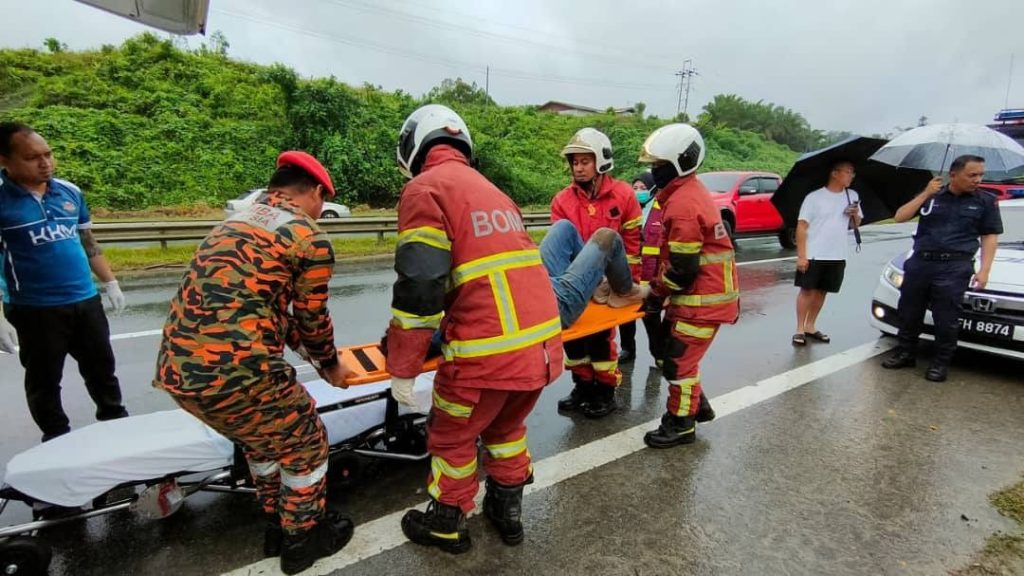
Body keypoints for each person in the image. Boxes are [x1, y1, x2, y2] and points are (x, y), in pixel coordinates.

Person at [153, 151, 354, 575]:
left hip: (178, 373)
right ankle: (303, 538)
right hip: (239, 374)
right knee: (305, 443)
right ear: (316, 192)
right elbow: (311, 317)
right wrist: (331, 365)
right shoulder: (308, 236)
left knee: (261, 441)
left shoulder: (233, 223)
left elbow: (264, 308)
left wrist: (312, 357)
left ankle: (275, 524)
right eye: (323, 201)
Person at [386, 104, 563, 553]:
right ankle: (507, 513)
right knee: (505, 431)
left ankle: (447, 522)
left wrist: (404, 364)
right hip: (539, 349)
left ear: (413, 146)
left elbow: (421, 285)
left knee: (452, 436)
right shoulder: (496, 192)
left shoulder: (426, 189)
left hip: (485, 354)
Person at [0, 122, 128, 443]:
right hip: (35, 309)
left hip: (85, 301)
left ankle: (117, 431)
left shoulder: (69, 192)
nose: (45, 163)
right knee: (45, 382)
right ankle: (57, 441)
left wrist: (110, 282)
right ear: (5, 161)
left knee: (103, 373)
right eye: (32, 158)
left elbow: (87, 242)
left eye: (48, 154)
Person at [637, 123, 739, 448]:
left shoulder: (682, 205)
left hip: (701, 304)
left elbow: (682, 270)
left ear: (679, 163)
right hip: (700, 300)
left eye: (659, 166)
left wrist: (654, 294)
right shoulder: (687, 193)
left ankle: (680, 424)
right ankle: (698, 407)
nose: (654, 172)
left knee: (679, 363)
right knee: (677, 357)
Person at [881, 155, 1002, 382]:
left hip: (955, 266)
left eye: (980, 175)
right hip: (921, 262)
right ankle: (905, 353)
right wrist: (926, 193)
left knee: (946, 318)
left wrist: (985, 269)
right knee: (909, 312)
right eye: (972, 175)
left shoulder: (985, 201)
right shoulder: (932, 195)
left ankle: (940, 363)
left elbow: (989, 236)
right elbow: (899, 217)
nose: (978, 179)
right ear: (953, 175)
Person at [551, 127, 643, 418]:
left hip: (610, 284)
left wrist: (627, 285)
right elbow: (561, 247)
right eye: (574, 162)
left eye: (584, 161)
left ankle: (605, 390)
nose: (578, 167)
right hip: (577, 281)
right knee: (574, 337)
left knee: (602, 339)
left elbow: (632, 244)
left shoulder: (624, 195)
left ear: (601, 161)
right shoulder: (562, 201)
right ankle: (582, 385)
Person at [791, 160, 863, 346]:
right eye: (848, 172)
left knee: (823, 291)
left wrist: (854, 214)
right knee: (807, 290)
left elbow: (856, 224)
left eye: (852, 172)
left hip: (837, 253)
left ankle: (810, 325)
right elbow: (801, 225)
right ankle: (799, 328)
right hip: (814, 252)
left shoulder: (852, 196)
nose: (851, 176)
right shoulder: (814, 198)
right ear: (835, 173)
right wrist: (802, 255)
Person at [616, 172, 658, 363]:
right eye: (635, 188)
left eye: (643, 188)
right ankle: (627, 350)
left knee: (652, 320)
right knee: (626, 318)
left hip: (651, 278)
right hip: (629, 275)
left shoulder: (661, 210)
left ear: (652, 189)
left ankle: (659, 355)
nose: (638, 192)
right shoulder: (626, 209)